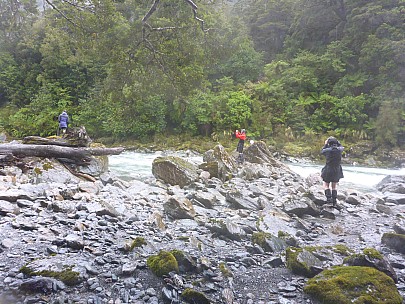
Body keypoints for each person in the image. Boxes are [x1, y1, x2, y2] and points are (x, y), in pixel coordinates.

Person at [321, 136, 344, 206]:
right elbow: (342, 147)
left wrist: (325, 144)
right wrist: (338, 142)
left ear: (329, 143)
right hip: (337, 170)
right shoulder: (340, 150)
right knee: (334, 186)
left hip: (328, 169)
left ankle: (329, 199)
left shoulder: (327, 150)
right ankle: (334, 201)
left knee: (326, 185)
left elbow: (322, 151)